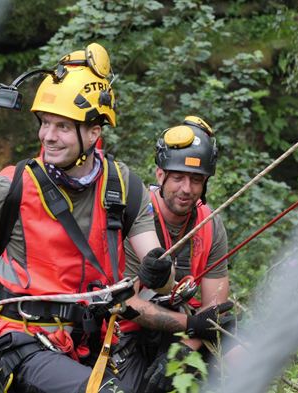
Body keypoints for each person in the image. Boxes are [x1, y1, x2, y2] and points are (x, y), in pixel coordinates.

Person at [0, 43, 175, 393]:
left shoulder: (123, 187)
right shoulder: (14, 184)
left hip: (93, 341)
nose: (48, 135)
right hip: (24, 339)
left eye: (62, 126)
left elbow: (160, 271)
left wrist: (160, 273)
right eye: (45, 123)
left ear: (94, 132)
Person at [112, 117, 232, 393]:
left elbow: (215, 305)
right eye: (178, 177)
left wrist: (184, 351)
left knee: (242, 357)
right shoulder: (137, 217)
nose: (186, 189)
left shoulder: (209, 224)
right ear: (160, 175)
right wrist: (192, 325)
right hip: (130, 333)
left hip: (190, 332)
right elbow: (127, 303)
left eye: (196, 180)